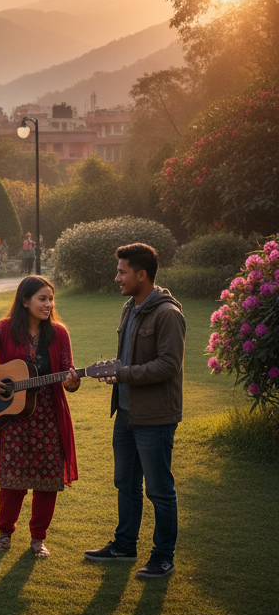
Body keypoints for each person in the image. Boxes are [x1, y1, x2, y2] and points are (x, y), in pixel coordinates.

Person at [84, 243, 185, 579]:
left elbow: (168, 365)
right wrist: (104, 370)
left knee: (159, 489)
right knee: (125, 483)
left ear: (142, 275)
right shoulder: (130, 308)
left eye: (122, 272)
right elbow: (127, 359)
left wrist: (123, 373)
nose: (117, 278)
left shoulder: (168, 314)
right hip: (126, 413)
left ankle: (163, 556)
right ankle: (125, 545)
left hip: (155, 418)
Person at [0, 275, 80, 557]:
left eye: (51, 299)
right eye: (42, 298)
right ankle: (5, 533)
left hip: (49, 417)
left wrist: (73, 381)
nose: (48, 304)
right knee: (12, 482)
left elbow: (67, 373)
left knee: (47, 482)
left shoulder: (60, 333)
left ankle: (38, 539)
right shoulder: (4, 329)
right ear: (25, 301)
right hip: (13, 418)